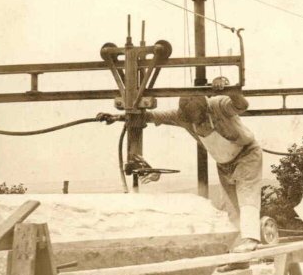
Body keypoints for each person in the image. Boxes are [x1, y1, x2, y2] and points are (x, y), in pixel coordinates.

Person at [106, 76, 263, 260]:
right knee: (232, 207)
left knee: (246, 195)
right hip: (224, 164)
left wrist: (228, 89)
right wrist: (118, 117)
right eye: (194, 121)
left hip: (246, 154)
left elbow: (241, 105)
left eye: (201, 119)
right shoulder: (182, 117)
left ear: (205, 109)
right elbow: (151, 116)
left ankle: (252, 239)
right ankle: (239, 258)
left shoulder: (218, 105)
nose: (199, 124)